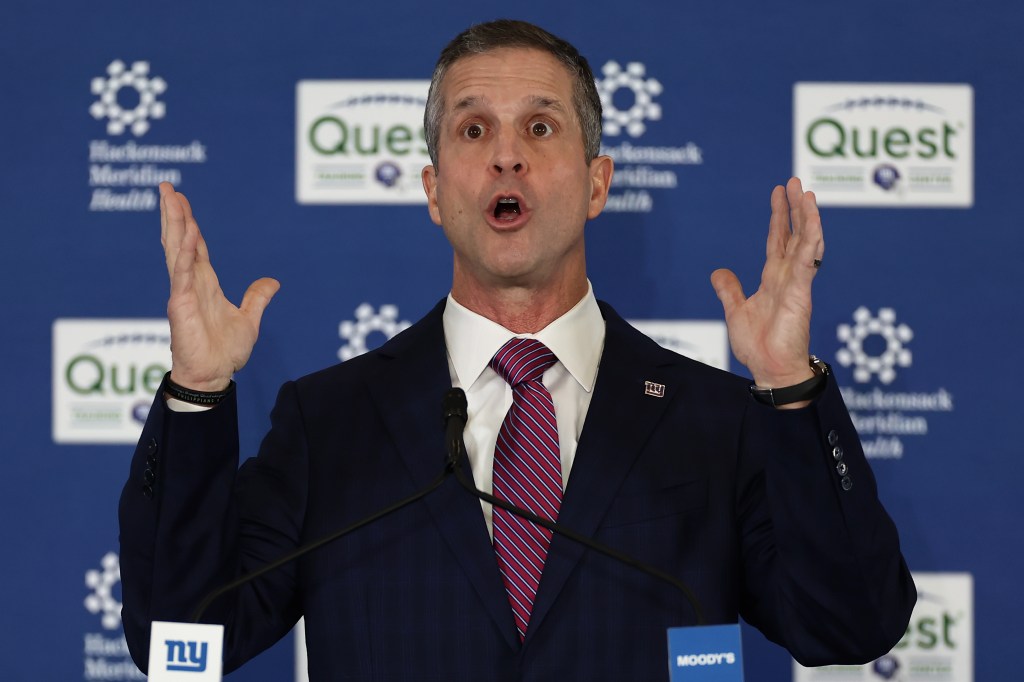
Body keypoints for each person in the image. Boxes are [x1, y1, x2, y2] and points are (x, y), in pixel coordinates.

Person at [119, 19, 915, 681]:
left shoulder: (714, 420)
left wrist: (786, 388)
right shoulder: (330, 422)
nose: (507, 155)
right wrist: (195, 391)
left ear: (598, 183)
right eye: (474, 129)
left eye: (540, 126)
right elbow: (180, 638)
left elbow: (850, 627)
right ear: (434, 191)